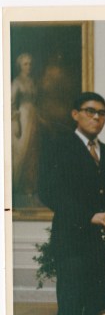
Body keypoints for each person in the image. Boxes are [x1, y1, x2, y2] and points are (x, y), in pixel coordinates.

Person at [38, 92, 105, 315]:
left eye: (102, 113)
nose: (97, 117)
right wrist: (90, 216)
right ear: (75, 114)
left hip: (102, 247)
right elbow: (49, 192)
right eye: (90, 111)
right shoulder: (58, 147)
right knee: (71, 309)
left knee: (97, 310)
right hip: (72, 244)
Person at [11, 52, 41, 205]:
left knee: (33, 152)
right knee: (23, 151)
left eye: (30, 64)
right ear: (20, 66)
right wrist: (15, 122)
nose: (28, 67)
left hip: (34, 117)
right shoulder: (16, 82)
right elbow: (11, 104)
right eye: (25, 64)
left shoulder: (32, 81)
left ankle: (31, 185)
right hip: (23, 118)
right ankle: (21, 187)